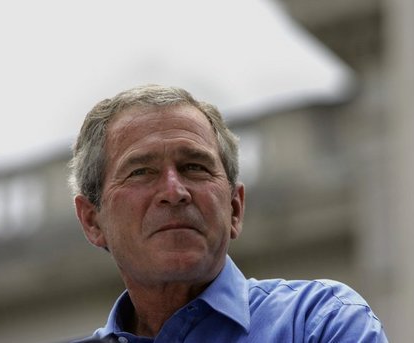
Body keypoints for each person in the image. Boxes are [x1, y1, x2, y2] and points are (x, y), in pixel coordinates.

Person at [68, 84, 388, 342]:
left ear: (235, 208)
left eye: (194, 167)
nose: (174, 191)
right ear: (92, 220)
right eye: (141, 172)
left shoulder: (319, 322)